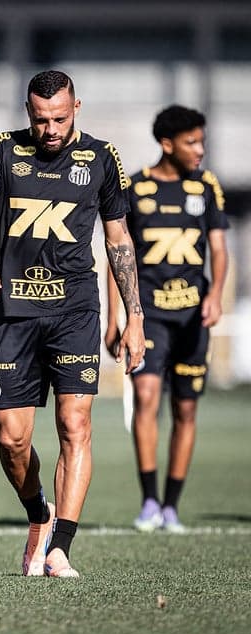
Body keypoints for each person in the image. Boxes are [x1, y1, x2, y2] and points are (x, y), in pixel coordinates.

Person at [0, 70, 146, 578]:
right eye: (40, 120)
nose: (50, 130)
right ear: (27, 113)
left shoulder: (102, 158)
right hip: (16, 312)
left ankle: (60, 545)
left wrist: (134, 316)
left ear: (77, 108)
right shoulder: (3, 150)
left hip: (76, 310)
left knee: (74, 424)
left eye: (59, 119)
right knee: (11, 439)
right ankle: (38, 512)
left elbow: (119, 241)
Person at [105, 105, 229, 533]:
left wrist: (214, 295)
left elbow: (218, 249)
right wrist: (115, 317)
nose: (200, 150)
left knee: (187, 409)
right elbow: (116, 255)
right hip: (150, 315)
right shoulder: (134, 188)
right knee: (146, 399)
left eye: (202, 141)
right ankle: (149, 501)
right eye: (192, 142)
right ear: (167, 144)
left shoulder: (206, 186)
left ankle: (173, 505)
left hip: (194, 317)